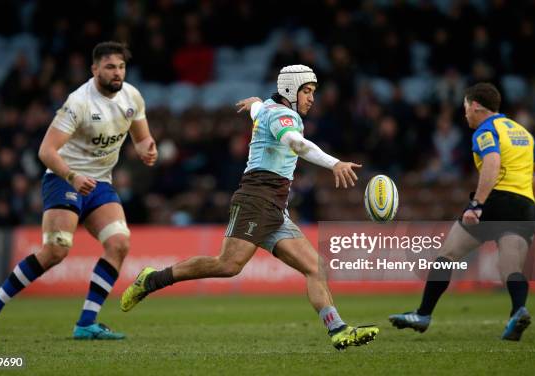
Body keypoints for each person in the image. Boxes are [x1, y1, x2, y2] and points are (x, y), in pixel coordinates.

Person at [120, 65, 379, 350]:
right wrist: (335, 163)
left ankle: (338, 329)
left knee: (315, 267)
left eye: (313, 92)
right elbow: (296, 143)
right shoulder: (283, 115)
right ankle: (152, 280)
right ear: (291, 91)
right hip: (255, 200)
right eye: (307, 91)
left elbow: (258, 108)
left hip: (275, 207)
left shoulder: (267, 108)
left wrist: (253, 102)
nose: (311, 98)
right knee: (228, 265)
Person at [0, 41, 158, 341]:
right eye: (110, 67)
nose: (117, 73)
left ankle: (86, 322)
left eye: (121, 66)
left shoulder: (132, 97)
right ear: (94, 69)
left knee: (119, 244)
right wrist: (71, 176)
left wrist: (147, 150)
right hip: (63, 178)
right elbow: (46, 151)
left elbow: (142, 138)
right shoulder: (79, 102)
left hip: (100, 184)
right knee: (56, 251)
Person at [389, 83, 535, 341]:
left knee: (448, 254)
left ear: (476, 107)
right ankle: (517, 311)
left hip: (494, 202)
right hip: (524, 207)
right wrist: (524, 198)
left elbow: (492, 162)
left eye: (466, 108)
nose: (465, 114)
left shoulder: (485, 130)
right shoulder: (521, 131)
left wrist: (477, 205)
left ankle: (423, 314)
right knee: (511, 267)